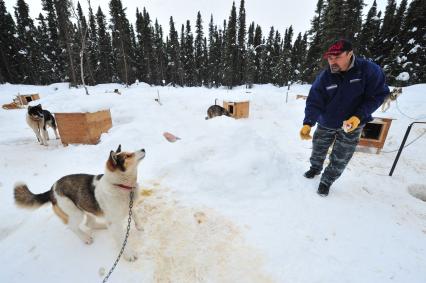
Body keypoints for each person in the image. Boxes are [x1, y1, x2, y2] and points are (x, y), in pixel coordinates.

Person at [300, 39, 390, 197]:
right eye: (330, 58)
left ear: (350, 54)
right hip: (326, 121)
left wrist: (358, 116)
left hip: (352, 124)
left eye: (337, 57)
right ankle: (315, 168)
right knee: (318, 148)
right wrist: (308, 122)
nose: (332, 61)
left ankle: (327, 181)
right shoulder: (326, 76)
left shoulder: (368, 71)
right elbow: (315, 100)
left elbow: (377, 95)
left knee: (341, 156)